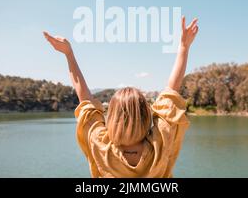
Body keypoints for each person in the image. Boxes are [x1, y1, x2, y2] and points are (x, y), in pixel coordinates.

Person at [43, 16, 198, 178]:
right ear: (145, 116)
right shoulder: (160, 143)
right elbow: (171, 93)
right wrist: (183, 47)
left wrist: (68, 54)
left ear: (112, 118)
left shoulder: (101, 146)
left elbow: (85, 100)